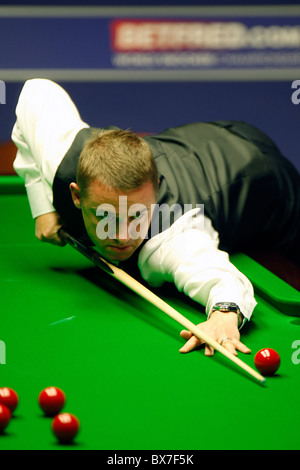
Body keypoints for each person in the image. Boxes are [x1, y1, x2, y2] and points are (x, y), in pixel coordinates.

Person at [11, 79, 300, 358]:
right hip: (205, 141)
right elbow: (36, 91)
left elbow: (222, 280)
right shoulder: (65, 162)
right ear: (76, 195)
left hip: (269, 185)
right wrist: (42, 205)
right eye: (105, 216)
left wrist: (224, 315)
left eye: (136, 215)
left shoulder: (170, 233)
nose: (122, 236)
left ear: (156, 189)